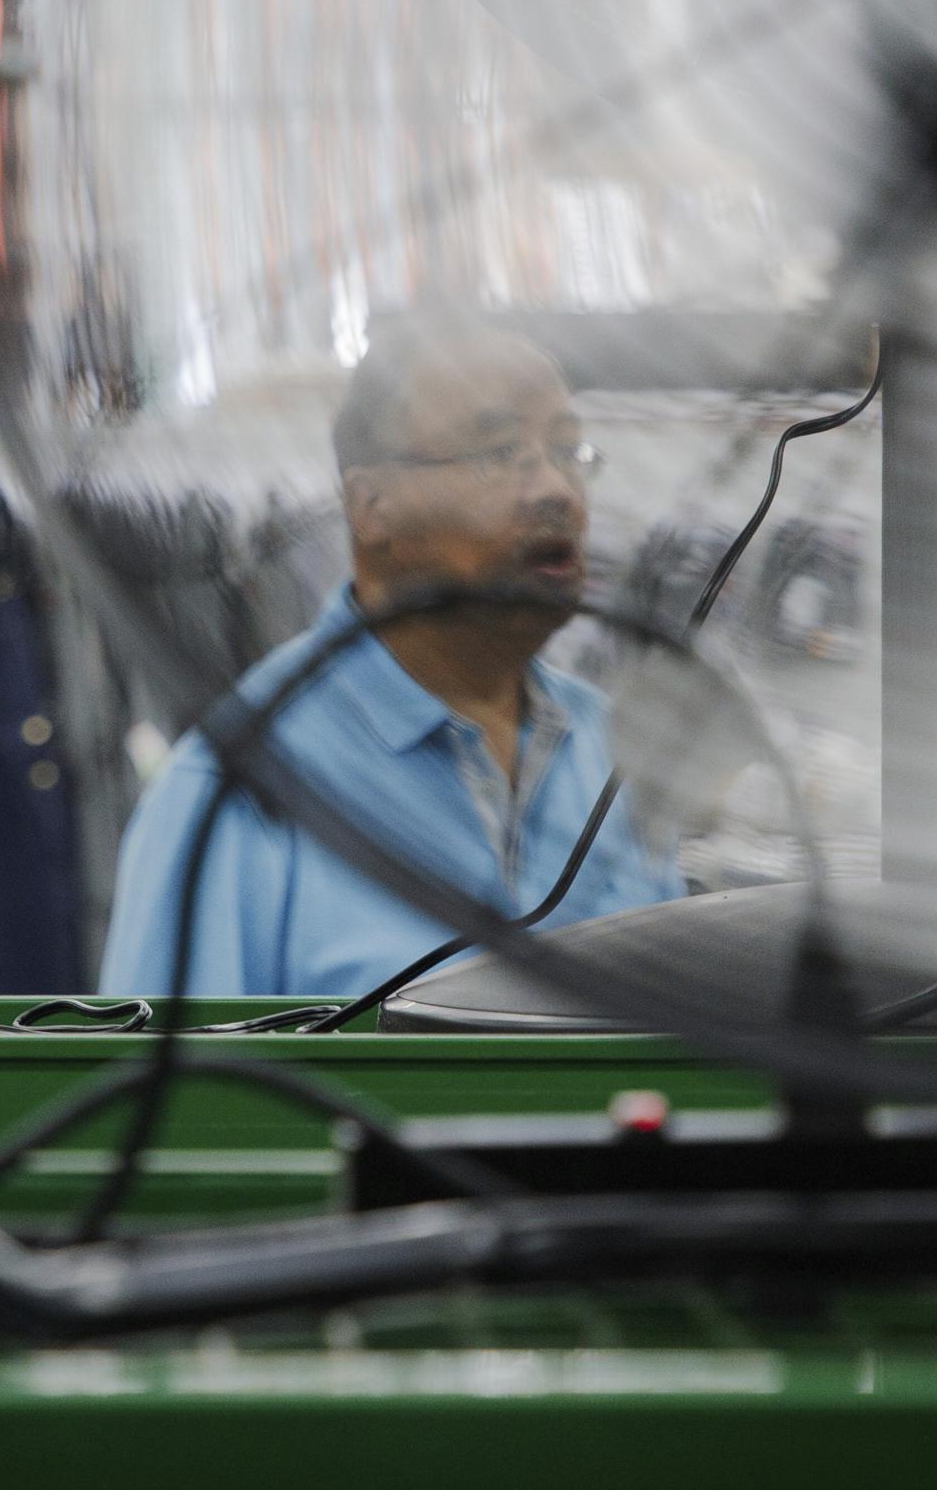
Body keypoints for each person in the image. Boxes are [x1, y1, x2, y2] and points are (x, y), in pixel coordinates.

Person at [97, 316, 682, 997]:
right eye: (499, 454)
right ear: (371, 506)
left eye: (570, 452)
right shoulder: (239, 787)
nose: (555, 490)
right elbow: (174, 1096)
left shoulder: (616, 755)